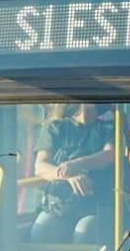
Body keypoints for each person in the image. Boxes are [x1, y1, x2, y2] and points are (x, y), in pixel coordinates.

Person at [32, 103, 115, 243]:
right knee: (41, 230)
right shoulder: (55, 127)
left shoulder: (109, 129)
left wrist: (75, 164)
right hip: (59, 206)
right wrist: (68, 176)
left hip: (95, 207)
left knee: (85, 232)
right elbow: (40, 166)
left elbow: (108, 155)